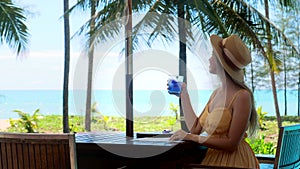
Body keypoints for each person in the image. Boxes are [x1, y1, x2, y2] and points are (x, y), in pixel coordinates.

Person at [169, 34, 260, 168]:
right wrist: (184, 94)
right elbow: (195, 129)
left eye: (212, 55)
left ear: (221, 62)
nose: (209, 59)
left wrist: (191, 137)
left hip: (234, 162)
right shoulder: (216, 93)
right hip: (213, 160)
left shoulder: (242, 96)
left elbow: (231, 144)